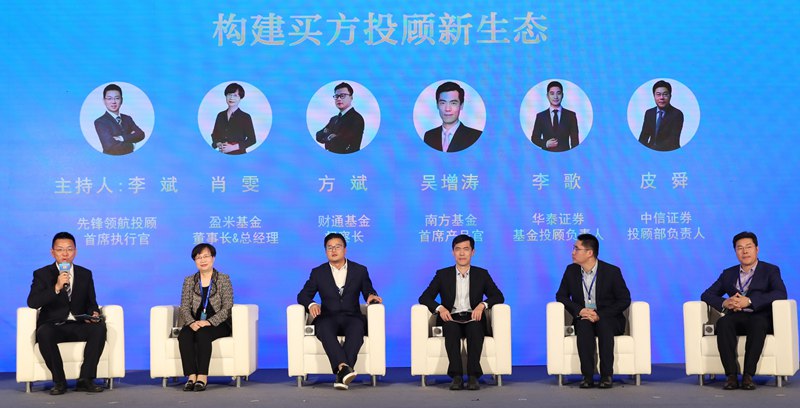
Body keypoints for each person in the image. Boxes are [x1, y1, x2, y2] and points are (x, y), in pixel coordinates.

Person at [701, 231, 787, 390]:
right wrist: (725, 302)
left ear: (757, 249)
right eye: (740, 248)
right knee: (723, 323)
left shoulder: (770, 270)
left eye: (748, 247)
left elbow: (780, 293)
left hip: (760, 316)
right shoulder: (728, 274)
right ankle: (731, 376)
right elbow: (706, 295)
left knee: (757, 323)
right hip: (736, 316)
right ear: (735, 252)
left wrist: (749, 301)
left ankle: (748, 376)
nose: (745, 251)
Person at [418, 234, 504, 390]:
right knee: (451, 329)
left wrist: (482, 305)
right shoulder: (442, 275)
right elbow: (424, 297)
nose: (462, 253)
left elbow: (498, 296)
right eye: (458, 249)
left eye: (466, 249)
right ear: (453, 252)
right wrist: (440, 308)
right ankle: (456, 376)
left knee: (475, 328)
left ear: (473, 252)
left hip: (473, 317)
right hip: (450, 318)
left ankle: (473, 376)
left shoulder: (481, 274)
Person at [297, 233, 382, 390]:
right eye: (329, 248)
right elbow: (302, 295)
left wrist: (371, 296)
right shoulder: (318, 272)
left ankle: (342, 371)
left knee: (357, 329)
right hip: (328, 317)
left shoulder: (360, 270)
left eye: (337, 247)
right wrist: (311, 304)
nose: (333, 250)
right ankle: (344, 370)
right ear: (325, 251)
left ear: (345, 249)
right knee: (323, 328)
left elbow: (368, 291)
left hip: (352, 316)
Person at [26, 232, 106, 395]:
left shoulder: (85, 274)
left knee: (99, 328)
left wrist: (93, 313)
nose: (65, 253)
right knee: (44, 332)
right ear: (52, 252)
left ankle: (86, 379)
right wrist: (56, 287)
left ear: (75, 251)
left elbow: (91, 302)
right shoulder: (42, 274)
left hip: (78, 324)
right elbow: (33, 302)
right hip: (53, 325)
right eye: (60, 249)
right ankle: (59, 382)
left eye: (69, 249)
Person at [555, 233, 631, 389]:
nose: (573, 252)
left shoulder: (612, 271)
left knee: (604, 326)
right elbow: (561, 296)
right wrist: (580, 310)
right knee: (583, 326)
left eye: (577, 249)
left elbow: (624, 300)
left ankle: (606, 375)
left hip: (609, 318)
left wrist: (599, 314)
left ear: (589, 253)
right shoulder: (571, 271)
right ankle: (587, 376)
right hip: (584, 317)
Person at [177, 243, 234, 392]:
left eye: (206, 256)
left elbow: (228, 307)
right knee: (184, 335)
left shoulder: (223, 279)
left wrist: (209, 322)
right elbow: (184, 306)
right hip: (195, 321)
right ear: (195, 261)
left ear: (213, 258)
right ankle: (191, 376)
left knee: (203, 334)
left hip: (218, 323)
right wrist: (191, 322)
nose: (202, 260)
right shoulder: (189, 280)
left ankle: (202, 376)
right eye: (198, 257)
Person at [423, 81, 482, 152]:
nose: (447, 109)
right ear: (437, 105)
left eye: (453, 103)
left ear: (461, 105)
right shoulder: (429, 136)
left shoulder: (476, 137)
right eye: (443, 103)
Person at [93, 84, 145, 155]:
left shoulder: (127, 118)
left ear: (122, 100)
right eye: (109, 98)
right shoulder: (100, 122)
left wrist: (121, 138)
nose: (113, 102)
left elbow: (141, 134)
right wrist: (132, 144)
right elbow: (110, 147)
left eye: (117, 98)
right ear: (104, 101)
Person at [315, 82, 365, 154]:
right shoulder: (333, 119)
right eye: (336, 96)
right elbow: (318, 136)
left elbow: (340, 145)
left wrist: (327, 134)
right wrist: (330, 137)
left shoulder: (356, 118)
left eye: (342, 95)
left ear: (351, 97)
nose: (338, 99)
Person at [530, 81, 579, 152]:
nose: (555, 97)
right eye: (552, 93)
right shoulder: (540, 116)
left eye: (558, 93)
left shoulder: (571, 115)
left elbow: (575, 141)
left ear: (562, 95)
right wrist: (546, 143)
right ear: (547, 96)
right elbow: (534, 138)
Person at [638, 80, 684, 151]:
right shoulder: (649, 113)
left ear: (670, 96)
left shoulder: (677, 114)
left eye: (665, 94)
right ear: (654, 96)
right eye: (658, 94)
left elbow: (673, 141)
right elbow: (643, 137)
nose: (661, 98)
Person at [211, 83, 256, 154]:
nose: (231, 98)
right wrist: (218, 144)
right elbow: (215, 135)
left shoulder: (245, 117)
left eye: (235, 95)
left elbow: (252, 140)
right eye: (229, 94)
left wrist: (233, 147)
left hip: (238, 154)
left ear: (240, 98)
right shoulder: (220, 115)